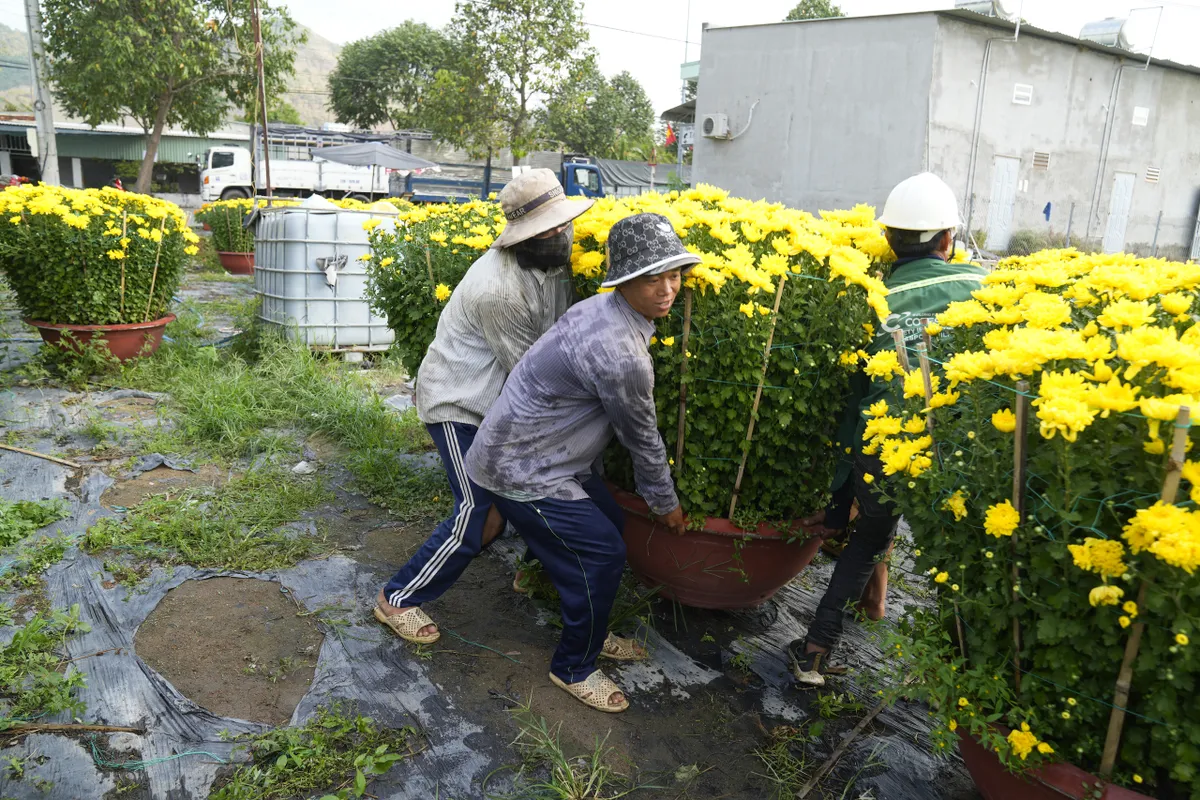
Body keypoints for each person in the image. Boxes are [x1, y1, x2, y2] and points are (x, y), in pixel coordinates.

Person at [465, 213, 697, 713]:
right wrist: (665, 504)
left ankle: (573, 604)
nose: (666, 289)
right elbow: (642, 439)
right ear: (626, 281)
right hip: (522, 468)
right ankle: (574, 665)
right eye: (651, 277)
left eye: (673, 274)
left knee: (608, 520)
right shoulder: (620, 352)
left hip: (537, 453)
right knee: (604, 553)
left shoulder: (606, 309)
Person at [374, 168, 593, 644]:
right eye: (548, 230)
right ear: (521, 237)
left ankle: (532, 576)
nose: (561, 235)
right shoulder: (498, 289)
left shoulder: (555, 267)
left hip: (506, 403)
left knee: (549, 489)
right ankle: (398, 597)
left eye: (564, 225)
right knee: (478, 508)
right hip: (461, 404)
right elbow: (532, 376)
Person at [790, 173, 988, 687]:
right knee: (959, 562)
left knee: (869, 540)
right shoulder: (983, 291)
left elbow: (854, 404)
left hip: (882, 445)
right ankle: (966, 679)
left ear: (889, 240)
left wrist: (839, 499)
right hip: (957, 450)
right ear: (948, 240)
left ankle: (814, 652)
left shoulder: (871, 299)